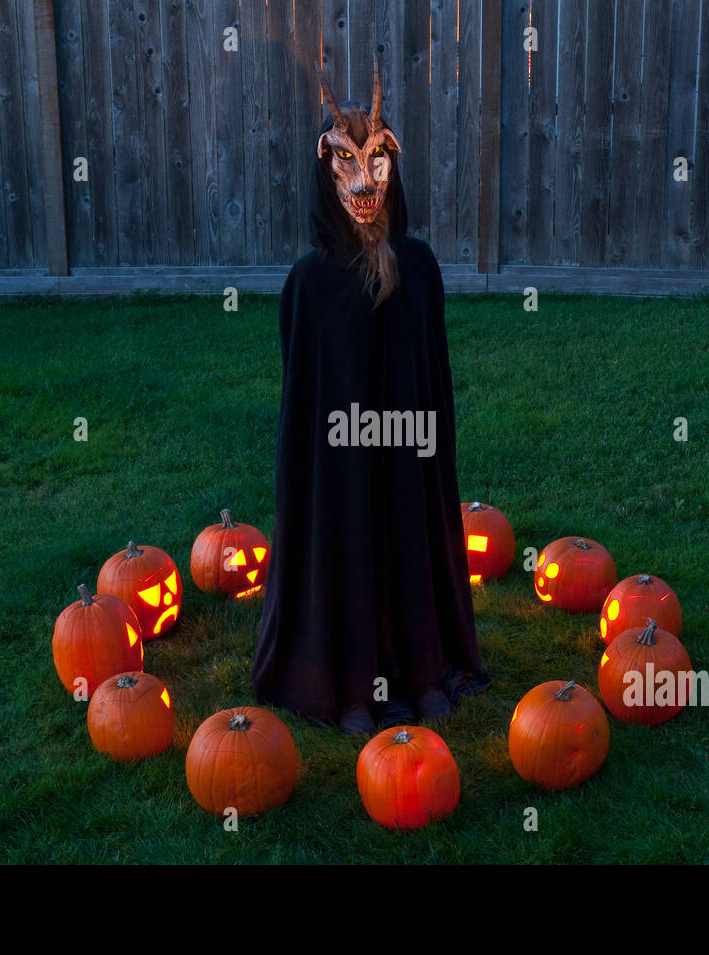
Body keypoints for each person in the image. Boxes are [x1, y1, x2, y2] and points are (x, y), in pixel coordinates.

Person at [251, 60, 491, 735]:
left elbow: (432, 376)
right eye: (350, 168)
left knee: (408, 532)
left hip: (406, 444)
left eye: (378, 165)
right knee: (350, 536)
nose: (364, 184)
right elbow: (304, 397)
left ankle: (419, 669)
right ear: (327, 177)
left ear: (394, 169)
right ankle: (350, 682)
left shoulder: (418, 267)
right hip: (340, 456)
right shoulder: (311, 282)